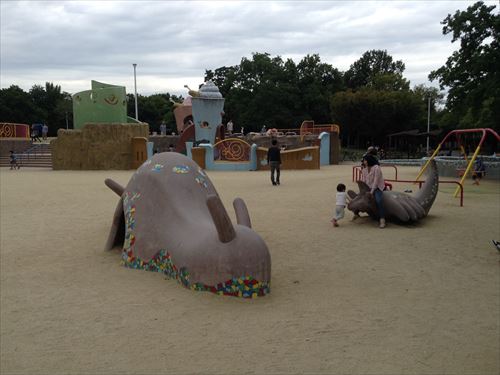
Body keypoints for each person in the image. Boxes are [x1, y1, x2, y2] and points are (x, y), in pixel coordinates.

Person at [363, 154, 386, 228]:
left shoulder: (377, 168)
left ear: (369, 160)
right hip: (368, 187)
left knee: (379, 200)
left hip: (377, 187)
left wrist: (371, 192)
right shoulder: (364, 169)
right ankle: (356, 213)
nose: (364, 162)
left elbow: (376, 181)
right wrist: (364, 189)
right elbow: (364, 180)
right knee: (359, 198)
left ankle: (382, 219)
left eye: (365, 160)